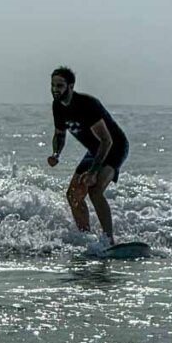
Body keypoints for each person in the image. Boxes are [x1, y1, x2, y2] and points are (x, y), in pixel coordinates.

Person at [48, 66, 129, 248]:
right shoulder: (57, 106)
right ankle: (86, 239)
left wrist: (93, 172)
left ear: (71, 86)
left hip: (114, 147)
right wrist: (56, 154)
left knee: (95, 190)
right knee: (73, 196)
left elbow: (106, 141)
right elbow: (60, 134)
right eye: (52, 85)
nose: (55, 90)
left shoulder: (86, 105)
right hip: (94, 150)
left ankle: (109, 241)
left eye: (59, 86)